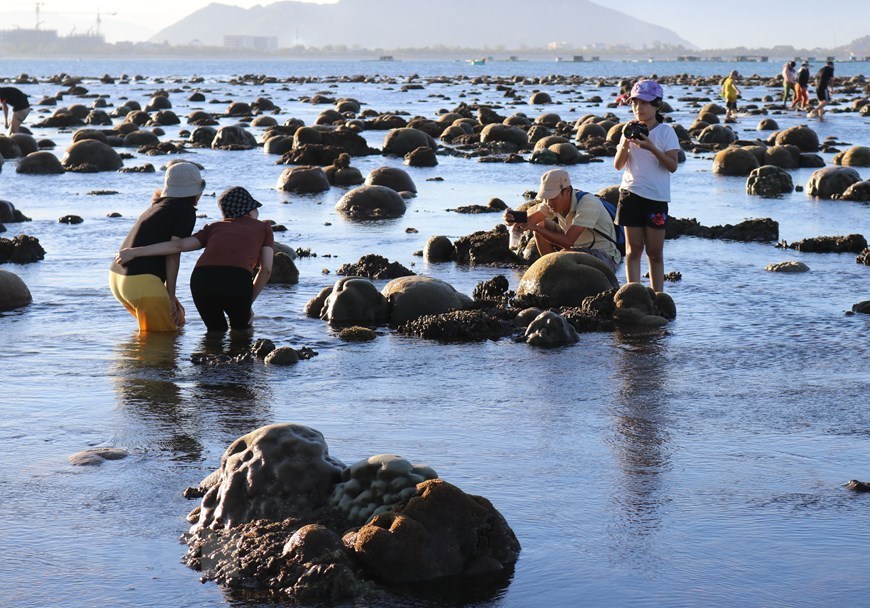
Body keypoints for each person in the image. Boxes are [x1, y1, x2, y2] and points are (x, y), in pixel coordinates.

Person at [116, 186, 274, 333]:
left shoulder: (213, 227)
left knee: (215, 332)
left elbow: (178, 246)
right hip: (236, 279)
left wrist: (135, 252)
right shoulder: (264, 227)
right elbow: (266, 269)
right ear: (249, 211)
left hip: (202, 280)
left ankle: (206, 361)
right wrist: (247, 303)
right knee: (242, 333)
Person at [109, 162, 204, 332]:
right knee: (162, 343)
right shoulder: (186, 211)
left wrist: (168, 294)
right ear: (197, 191)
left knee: (175, 324)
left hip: (118, 278)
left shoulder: (156, 207)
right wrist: (171, 295)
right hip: (141, 282)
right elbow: (174, 251)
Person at [612, 79, 680, 293]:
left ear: (657, 105)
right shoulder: (628, 130)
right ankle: (634, 294)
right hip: (630, 195)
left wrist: (651, 147)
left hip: (656, 199)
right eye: (635, 103)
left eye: (644, 103)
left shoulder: (666, 132)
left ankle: (658, 295)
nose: (638, 108)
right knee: (633, 251)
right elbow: (618, 165)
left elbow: (672, 165)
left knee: (655, 252)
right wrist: (624, 142)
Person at [503, 169, 622, 280]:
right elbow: (530, 222)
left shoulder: (588, 204)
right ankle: (552, 273)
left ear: (567, 191)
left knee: (557, 250)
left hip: (605, 256)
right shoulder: (551, 203)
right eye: (546, 198)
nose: (548, 203)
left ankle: (555, 269)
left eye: (552, 197)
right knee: (541, 226)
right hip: (577, 249)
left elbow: (567, 241)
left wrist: (536, 228)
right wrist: (511, 220)